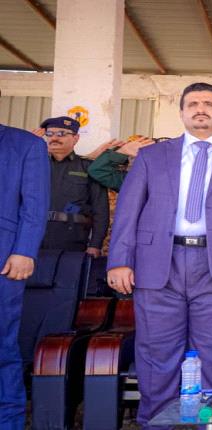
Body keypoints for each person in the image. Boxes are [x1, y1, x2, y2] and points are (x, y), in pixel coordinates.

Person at [106, 82, 212, 427]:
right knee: (156, 354)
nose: (201, 109)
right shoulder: (153, 156)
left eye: (209, 104)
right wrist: (120, 260)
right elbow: (128, 210)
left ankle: (210, 424)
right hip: (158, 265)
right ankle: (157, 422)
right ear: (182, 112)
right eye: (193, 104)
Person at [0, 107, 50, 430]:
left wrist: (25, 250)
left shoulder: (25, 144)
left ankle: (8, 421)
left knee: (2, 345)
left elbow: (35, 204)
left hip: (5, 259)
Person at [40, 116, 109, 257]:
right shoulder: (34, 165)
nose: (54, 138)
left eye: (61, 134)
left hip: (73, 240)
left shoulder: (89, 167)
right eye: (49, 134)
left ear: (76, 138)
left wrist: (95, 244)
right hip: (35, 236)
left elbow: (100, 210)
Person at [87, 135, 160, 191]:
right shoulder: (132, 179)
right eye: (133, 153)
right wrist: (119, 152)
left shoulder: (156, 178)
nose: (135, 156)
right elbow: (97, 170)